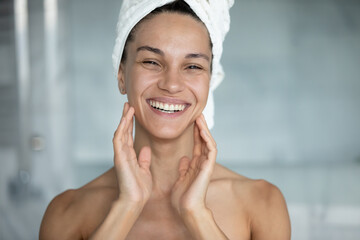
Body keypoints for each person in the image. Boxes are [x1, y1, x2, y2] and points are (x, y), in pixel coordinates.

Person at [39, 1, 291, 239]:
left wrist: (197, 214)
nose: (171, 84)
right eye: (151, 61)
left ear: (209, 81)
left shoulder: (262, 203)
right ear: (121, 75)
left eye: (192, 66)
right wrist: (127, 207)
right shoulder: (67, 212)